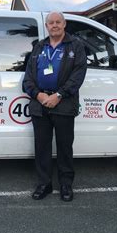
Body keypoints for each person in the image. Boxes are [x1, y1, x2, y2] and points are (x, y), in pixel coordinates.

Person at [23, 12, 87, 202]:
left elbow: (78, 75)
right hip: (40, 103)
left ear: (64, 24)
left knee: (65, 147)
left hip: (64, 103)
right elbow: (28, 77)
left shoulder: (76, 46)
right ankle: (44, 184)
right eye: (51, 23)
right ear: (46, 25)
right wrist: (39, 95)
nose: (55, 25)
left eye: (58, 22)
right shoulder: (39, 47)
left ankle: (66, 184)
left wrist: (58, 95)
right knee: (41, 147)